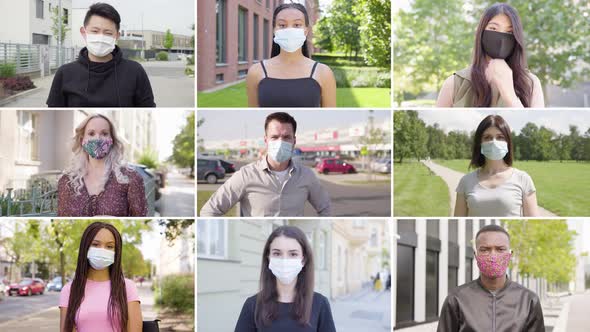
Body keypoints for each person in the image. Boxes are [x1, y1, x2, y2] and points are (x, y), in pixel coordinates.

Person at [200, 112, 332, 217]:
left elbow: (325, 208)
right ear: (266, 140)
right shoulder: (246, 175)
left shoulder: (306, 175)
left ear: (294, 141)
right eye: (274, 137)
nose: (280, 142)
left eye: (286, 137)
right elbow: (209, 211)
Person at [437, 224, 545, 331]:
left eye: (500, 249)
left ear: (510, 255)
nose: (493, 256)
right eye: (484, 250)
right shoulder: (456, 299)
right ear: (476, 255)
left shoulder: (528, 300)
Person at [47, 3, 155, 107]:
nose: (101, 37)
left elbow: (149, 109)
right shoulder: (65, 73)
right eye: (95, 31)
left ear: (117, 36)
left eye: (108, 33)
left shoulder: (134, 71)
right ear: (84, 32)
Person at [436, 3, 544, 107]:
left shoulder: (531, 84)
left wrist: (510, 95)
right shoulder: (455, 83)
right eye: (493, 28)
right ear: (481, 32)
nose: (501, 38)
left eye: (509, 32)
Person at [234, 226, 336, 332]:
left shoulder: (320, 304)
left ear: (304, 259)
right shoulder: (253, 305)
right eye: (277, 253)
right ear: (268, 258)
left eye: (293, 254)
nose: (284, 260)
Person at [246, 3, 336, 107]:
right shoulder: (256, 72)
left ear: (306, 31)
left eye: (297, 25)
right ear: (274, 30)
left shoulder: (323, 73)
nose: (289, 30)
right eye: (282, 25)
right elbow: (252, 119)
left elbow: (331, 120)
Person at [57, 113, 148, 216]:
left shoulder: (131, 179)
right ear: (82, 140)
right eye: (91, 133)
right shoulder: (67, 181)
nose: (98, 139)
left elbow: (140, 215)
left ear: (112, 140)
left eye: (104, 133)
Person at [59, 222, 142, 332]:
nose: (102, 250)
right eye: (95, 244)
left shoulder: (127, 287)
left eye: (109, 246)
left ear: (116, 252)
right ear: (85, 248)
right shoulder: (69, 290)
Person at [455, 115, 538, 217]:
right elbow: (458, 218)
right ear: (480, 143)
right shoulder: (466, 181)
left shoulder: (523, 179)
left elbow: (531, 222)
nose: (494, 142)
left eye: (500, 137)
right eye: (487, 137)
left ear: (508, 142)